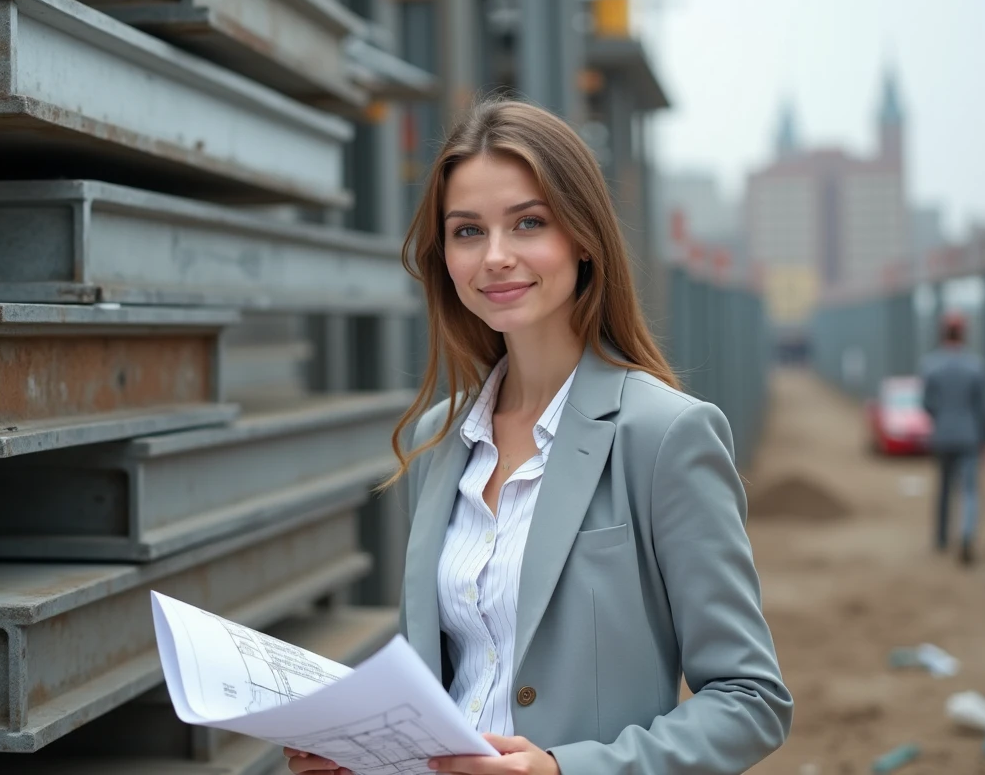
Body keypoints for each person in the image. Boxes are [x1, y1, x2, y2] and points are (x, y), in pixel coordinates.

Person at [285, 98, 792, 775]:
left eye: (528, 223)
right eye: (467, 232)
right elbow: (453, 692)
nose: (495, 257)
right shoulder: (443, 441)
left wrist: (560, 770)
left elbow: (750, 699)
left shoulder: (666, 435)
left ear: (582, 238)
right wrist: (370, 752)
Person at [920, 311, 985, 566]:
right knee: (970, 491)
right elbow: (983, 408)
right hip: (970, 436)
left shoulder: (930, 365)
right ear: (964, 333)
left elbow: (927, 404)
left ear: (942, 333)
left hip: (942, 435)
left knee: (944, 489)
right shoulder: (976, 366)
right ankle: (966, 534)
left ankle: (941, 539)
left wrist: (941, 418)